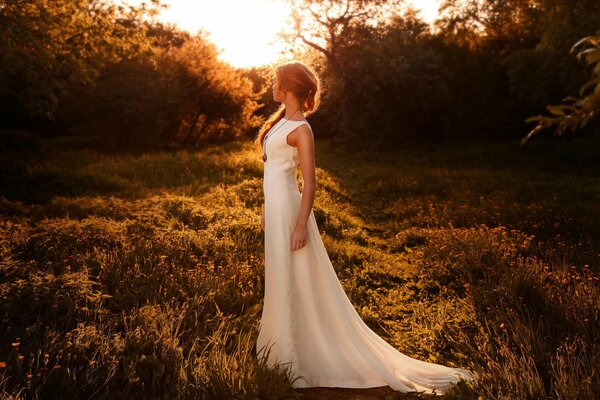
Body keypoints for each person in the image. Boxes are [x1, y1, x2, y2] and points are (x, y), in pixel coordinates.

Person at [254, 61, 474, 395]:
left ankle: (294, 358)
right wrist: (264, 210)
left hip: (291, 213)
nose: (272, 86)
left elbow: (310, 183)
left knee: (293, 279)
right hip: (275, 209)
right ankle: (279, 351)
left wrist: (300, 225)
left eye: (275, 81)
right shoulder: (279, 121)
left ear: (288, 87)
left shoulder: (301, 129)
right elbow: (271, 172)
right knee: (280, 278)